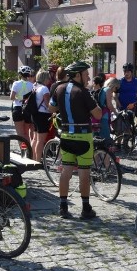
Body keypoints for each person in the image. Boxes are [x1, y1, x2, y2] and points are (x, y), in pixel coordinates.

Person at [48, 61, 102, 220]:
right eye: (86, 74)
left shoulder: (59, 88)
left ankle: (63, 207)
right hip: (83, 136)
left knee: (66, 171)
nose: (88, 77)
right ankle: (86, 208)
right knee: (84, 172)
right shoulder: (83, 92)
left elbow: (51, 108)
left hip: (66, 135)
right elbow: (98, 114)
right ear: (77, 75)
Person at [30, 69, 52, 162]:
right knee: (40, 140)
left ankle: (33, 158)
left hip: (35, 114)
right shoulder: (44, 89)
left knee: (35, 138)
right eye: (48, 78)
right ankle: (38, 160)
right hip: (43, 115)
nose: (49, 80)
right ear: (45, 78)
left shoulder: (34, 86)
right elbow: (48, 105)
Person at [10, 66, 34, 143]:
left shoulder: (16, 83)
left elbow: (12, 97)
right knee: (26, 133)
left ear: (20, 74)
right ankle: (28, 152)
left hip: (17, 108)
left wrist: (19, 98)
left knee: (20, 135)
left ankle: (23, 153)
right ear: (29, 75)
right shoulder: (32, 85)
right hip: (27, 109)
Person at [99, 77, 120, 142]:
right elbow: (109, 105)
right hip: (104, 115)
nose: (115, 90)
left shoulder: (103, 89)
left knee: (101, 135)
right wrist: (116, 113)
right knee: (106, 137)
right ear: (113, 85)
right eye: (116, 88)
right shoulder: (108, 90)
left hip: (101, 114)